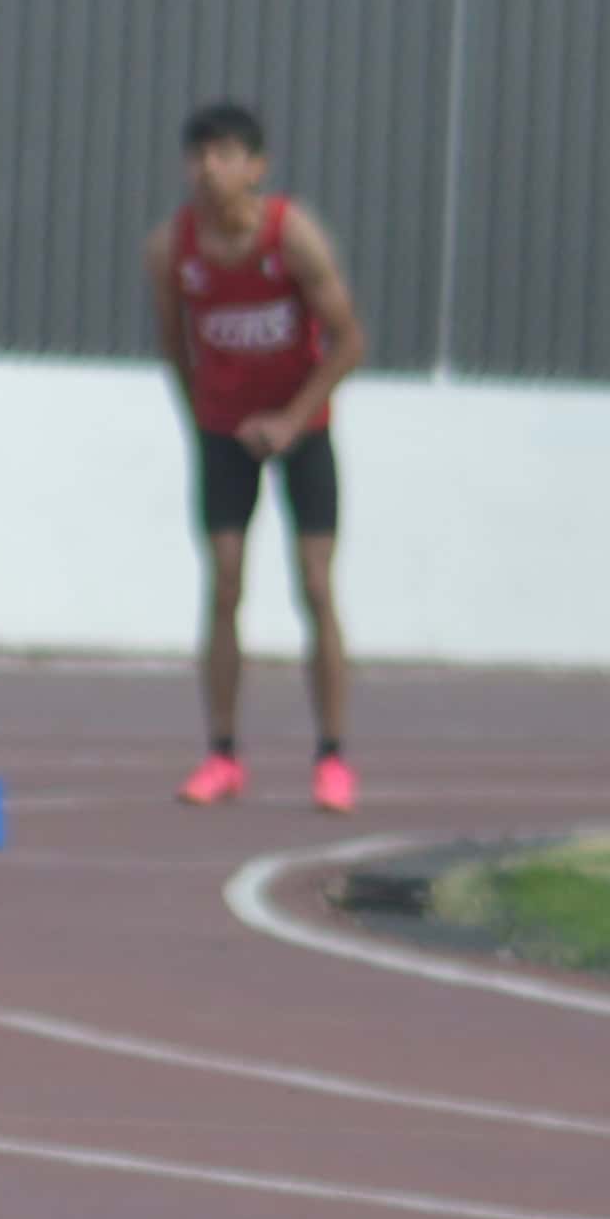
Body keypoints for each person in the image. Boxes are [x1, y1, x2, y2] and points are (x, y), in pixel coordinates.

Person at [149, 101, 364, 811]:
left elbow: (349, 341)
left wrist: (291, 419)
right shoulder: (173, 249)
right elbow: (174, 345)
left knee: (316, 583)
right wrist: (202, 419)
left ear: (256, 166)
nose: (210, 168)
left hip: (301, 428)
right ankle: (221, 754)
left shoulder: (290, 236)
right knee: (226, 581)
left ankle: (331, 756)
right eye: (199, 154)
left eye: (225, 154)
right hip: (224, 432)